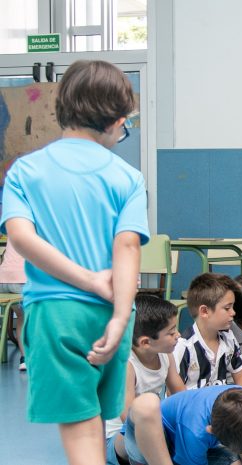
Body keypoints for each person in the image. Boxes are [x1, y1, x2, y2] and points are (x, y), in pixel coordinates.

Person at [0, 60, 148, 465]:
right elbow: (128, 246)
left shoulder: (25, 171)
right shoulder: (127, 177)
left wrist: (86, 280)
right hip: (113, 315)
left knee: (83, 432)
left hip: (55, 313)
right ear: (117, 121)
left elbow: (21, 238)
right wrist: (119, 317)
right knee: (98, 422)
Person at [106, 295, 185, 465]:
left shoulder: (166, 355)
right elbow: (127, 416)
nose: (178, 335)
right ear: (145, 342)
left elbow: (180, 394)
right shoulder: (126, 365)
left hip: (151, 423)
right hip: (117, 438)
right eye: (171, 332)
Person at [123, 384, 242, 465]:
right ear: (211, 431)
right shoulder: (195, 433)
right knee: (147, 404)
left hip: (181, 443)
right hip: (144, 444)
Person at [174, 273, 242, 390]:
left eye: (233, 307)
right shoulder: (184, 345)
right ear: (204, 311)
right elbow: (174, 396)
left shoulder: (228, 337)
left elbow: (241, 378)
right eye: (227, 308)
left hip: (221, 404)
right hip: (193, 405)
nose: (233, 312)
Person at [0, 239, 27, 370]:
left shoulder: (15, 224)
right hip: (20, 279)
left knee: (22, 317)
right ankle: (27, 358)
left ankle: (25, 359)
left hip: (3, 281)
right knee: (34, 317)